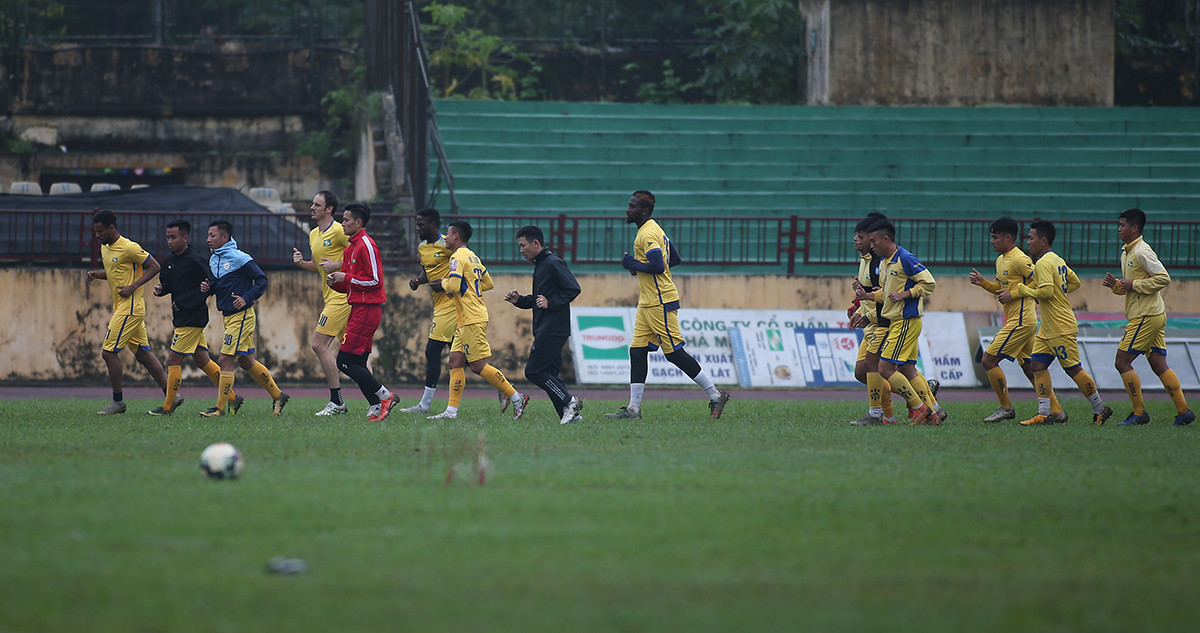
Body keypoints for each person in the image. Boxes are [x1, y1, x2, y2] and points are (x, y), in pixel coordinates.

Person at [605, 190, 731, 420]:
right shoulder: (655, 229)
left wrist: (631, 263)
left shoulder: (647, 233)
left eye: (632, 206)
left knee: (674, 353)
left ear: (643, 211)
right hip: (648, 302)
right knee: (637, 351)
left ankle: (715, 395)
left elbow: (658, 266)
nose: (627, 209)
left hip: (659, 301)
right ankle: (633, 409)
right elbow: (674, 258)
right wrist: (640, 267)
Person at [1004, 220, 1112, 426]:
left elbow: (1045, 291)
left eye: (1031, 238)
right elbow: (1075, 281)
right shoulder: (1057, 259)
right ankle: (1045, 413)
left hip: (1060, 326)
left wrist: (1026, 291)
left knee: (1073, 369)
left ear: (1043, 241)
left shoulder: (1043, 263)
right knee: (1037, 365)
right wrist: (1055, 294)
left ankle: (1101, 409)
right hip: (1048, 328)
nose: (1028, 242)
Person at [427, 220, 528, 420]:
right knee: (455, 361)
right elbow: (487, 282)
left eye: (447, 234)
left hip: (471, 317)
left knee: (477, 365)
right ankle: (451, 411)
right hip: (466, 316)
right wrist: (466, 289)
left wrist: (445, 284)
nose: (445, 238)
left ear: (456, 236)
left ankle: (517, 397)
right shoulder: (472, 256)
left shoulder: (456, 258)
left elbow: (454, 285)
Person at [1102, 208, 1194, 426]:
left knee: (1122, 362)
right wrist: (1116, 285)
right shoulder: (1127, 252)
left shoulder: (1142, 251)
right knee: (1159, 364)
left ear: (1134, 228)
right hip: (1152, 314)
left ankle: (1139, 413)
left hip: (1146, 316)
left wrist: (1133, 284)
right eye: (1119, 225)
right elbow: (1129, 287)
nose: (1119, 229)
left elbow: (1163, 278)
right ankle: (1184, 412)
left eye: (1122, 225)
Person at [969, 217, 1063, 423]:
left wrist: (1014, 295)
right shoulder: (1001, 259)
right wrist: (983, 282)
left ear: (1007, 237)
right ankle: (1056, 410)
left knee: (988, 360)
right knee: (1031, 368)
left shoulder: (1020, 259)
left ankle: (1005, 407)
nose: (991, 241)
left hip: (1021, 321)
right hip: (1016, 320)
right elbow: (1001, 288)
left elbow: (1039, 284)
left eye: (995, 238)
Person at [854, 218, 944, 425]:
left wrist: (906, 294)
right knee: (907, 369)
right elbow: (885, 295)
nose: (872, 245)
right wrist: (865, 297)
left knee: (883, 368)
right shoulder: (886, 262)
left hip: (905, 320)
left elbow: (929, 283)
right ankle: (932, 413)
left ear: (886, 239)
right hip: (897, 321)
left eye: (873, 240)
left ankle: (917, 408)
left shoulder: (904, 258)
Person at [149, 220, 243, 416]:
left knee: (173, 360)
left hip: (192, 317)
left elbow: (207, 288)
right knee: (202, 360)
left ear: (185, 238)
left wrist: (184, 301)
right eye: (168, 237)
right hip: (183, 316)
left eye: (174, 237)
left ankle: (168, 406)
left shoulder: (196, 260)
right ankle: (233, 398)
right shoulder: (172, 261)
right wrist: (162, 289)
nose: (170, 241)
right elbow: (170, 283)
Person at [198, 220, 289, 416]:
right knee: (246, 361)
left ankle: (220, 408)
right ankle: (278, 395)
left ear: (225, 237)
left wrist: (246, 297)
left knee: (225, 360)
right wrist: (209, 288)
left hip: (242, 316)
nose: (208, 240)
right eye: (208, 235)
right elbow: (217, 284)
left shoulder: (239, 258)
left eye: (212, 236)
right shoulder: (213, 259)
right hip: (228, 316)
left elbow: (261, 279)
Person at [86, 209, 171, 415]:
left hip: (130, 308)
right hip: (123, 307)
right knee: (143, 354)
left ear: (111, 228)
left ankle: (118, 402)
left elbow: (154, 266)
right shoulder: (106, 247)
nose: (97, 235)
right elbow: (115, 271)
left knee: (108, 353)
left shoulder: (129, 247)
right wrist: (98, 275)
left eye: (100, 231)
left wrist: (132, 287)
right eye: (95, 231)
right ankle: (172, 396)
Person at [324, 203, 399, 422]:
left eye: (346, 220)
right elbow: (350, 282)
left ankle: (386, 396)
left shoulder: (367, 245)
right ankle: (376, 407)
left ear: (358, 222)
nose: (342, 223)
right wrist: (334, 282)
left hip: (367, 310)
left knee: (345, 362)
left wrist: (344, 277)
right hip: (358, 308)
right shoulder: (350, 248)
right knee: (358, 361)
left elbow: (376, 281)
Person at [504, 225, 584, 425]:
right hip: (547, 327)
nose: (521, 250)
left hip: (553, 328)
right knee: (550, 376)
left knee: (534, 371)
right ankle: (573, 417)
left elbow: (573, 288)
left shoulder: (552, 263)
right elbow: (539, 299)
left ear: (536, 243)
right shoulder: (542, 264)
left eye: (523, 246)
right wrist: (520, 300)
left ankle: (570, 401)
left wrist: (551, 303)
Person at [292, 189, 351, 416]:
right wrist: (302, 263)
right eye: (312, 204)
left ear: (329, 209)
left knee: (318, 345)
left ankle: (337, 401)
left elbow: (360, 255)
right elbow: (318, 266)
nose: (312, 208)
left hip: (342, 296)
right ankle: (378, 398)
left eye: (317, 205)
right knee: (356, 352)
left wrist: (338, 265)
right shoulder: (314, 234)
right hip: (331, 296)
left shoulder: (339, 231)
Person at [848, 212, 906, 426]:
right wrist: (856, 307)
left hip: (882, 323)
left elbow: (883, 295)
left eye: (861, 237)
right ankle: (918, 397)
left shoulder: (878, 262)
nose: (856, 240)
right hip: (871, 323)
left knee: (875, 368)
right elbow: (868, 293)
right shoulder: (866, 261)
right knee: (862, 372)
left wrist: (866, 314)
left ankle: (881, 414)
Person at [399, 207, 456, 414]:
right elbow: (428, 270)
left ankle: (425, 405)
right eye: (416, 224)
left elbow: (465, 268)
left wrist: (446, 284)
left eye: (421, 224)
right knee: (465, 357)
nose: (417, 228)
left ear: (433, 225)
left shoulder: (448, 245)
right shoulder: (423, 246)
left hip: (451, 304)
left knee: (432, 351)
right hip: (439, 305)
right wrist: (418, 280)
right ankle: (505, 390)